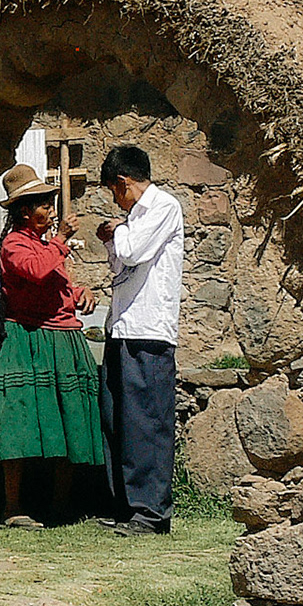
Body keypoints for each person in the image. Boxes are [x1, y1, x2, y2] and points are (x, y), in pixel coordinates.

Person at [0, 162, 106, 527]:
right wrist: (61, 240)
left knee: (68, 417)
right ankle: (12, 507)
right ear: (24, 210)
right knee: (19, 421)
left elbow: (53, 280)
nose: (51, 211)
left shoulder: (41, 244)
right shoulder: (14, 245)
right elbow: (35, 271)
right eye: (43, 205)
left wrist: (80, 293)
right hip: (28, 339)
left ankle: (61, 504)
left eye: (50, 204)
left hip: (61, 337)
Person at [95, 144, 185, 535]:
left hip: (149, 330)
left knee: (147, 422)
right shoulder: (133, 218)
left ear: (123, 183)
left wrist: (119, 231)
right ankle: (124, 505)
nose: (118, 203)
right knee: (118, 420)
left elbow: (132, 252)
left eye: (116, 193)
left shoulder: (164, 207)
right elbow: (120, 266)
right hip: (123, 327)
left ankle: (151, 511)